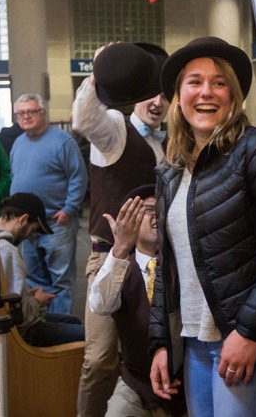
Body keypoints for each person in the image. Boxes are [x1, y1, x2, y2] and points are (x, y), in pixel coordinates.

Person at [148, 36, 256, 416]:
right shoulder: (170, 169)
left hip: (253, 342)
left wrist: (248, 331)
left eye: (219, 82)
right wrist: (160, 341)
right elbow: (167, 265)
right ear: (178, 95)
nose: (206, 92)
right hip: (195, 340)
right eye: (194, 81)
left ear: (235, 95)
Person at [71, 42, 169, 417]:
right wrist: (102, 70)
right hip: (109, 259)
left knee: (152, 355)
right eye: (149, 94)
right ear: (134, 97)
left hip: (154, 267)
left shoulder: (167, 146)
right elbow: (83, 118)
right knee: (98, 361)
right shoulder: (114, 129)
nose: (157, 102)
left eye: (163, 94)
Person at [89, 184, 186, 417]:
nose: (157, 216)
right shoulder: (121, 267)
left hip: (185, 383)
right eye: (149, 210)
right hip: (136, 383)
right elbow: (100, 305)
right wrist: (120, 249)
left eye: (163, 209)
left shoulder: (184, 266)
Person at [9, 93, 87, 315]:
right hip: (26, 225)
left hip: (56, 222)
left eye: (31, 111)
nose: (26, 116)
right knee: (34, 277)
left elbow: (78, 177)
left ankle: (61, 325)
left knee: (60, 279)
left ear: (43, 113)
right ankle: (42, 322)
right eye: (21, 113)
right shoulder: (19, 142)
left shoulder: (62, 140)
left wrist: (69, 209)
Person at [0, 193, 84, 347]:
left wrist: (28, 296)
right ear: (23, 219)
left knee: (72, 321)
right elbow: (19, 318)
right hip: (21, 333)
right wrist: (38, 301)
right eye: (33, 230)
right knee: (90, 336)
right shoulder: (8, 251)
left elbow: (3, 295)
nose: (30, 237)